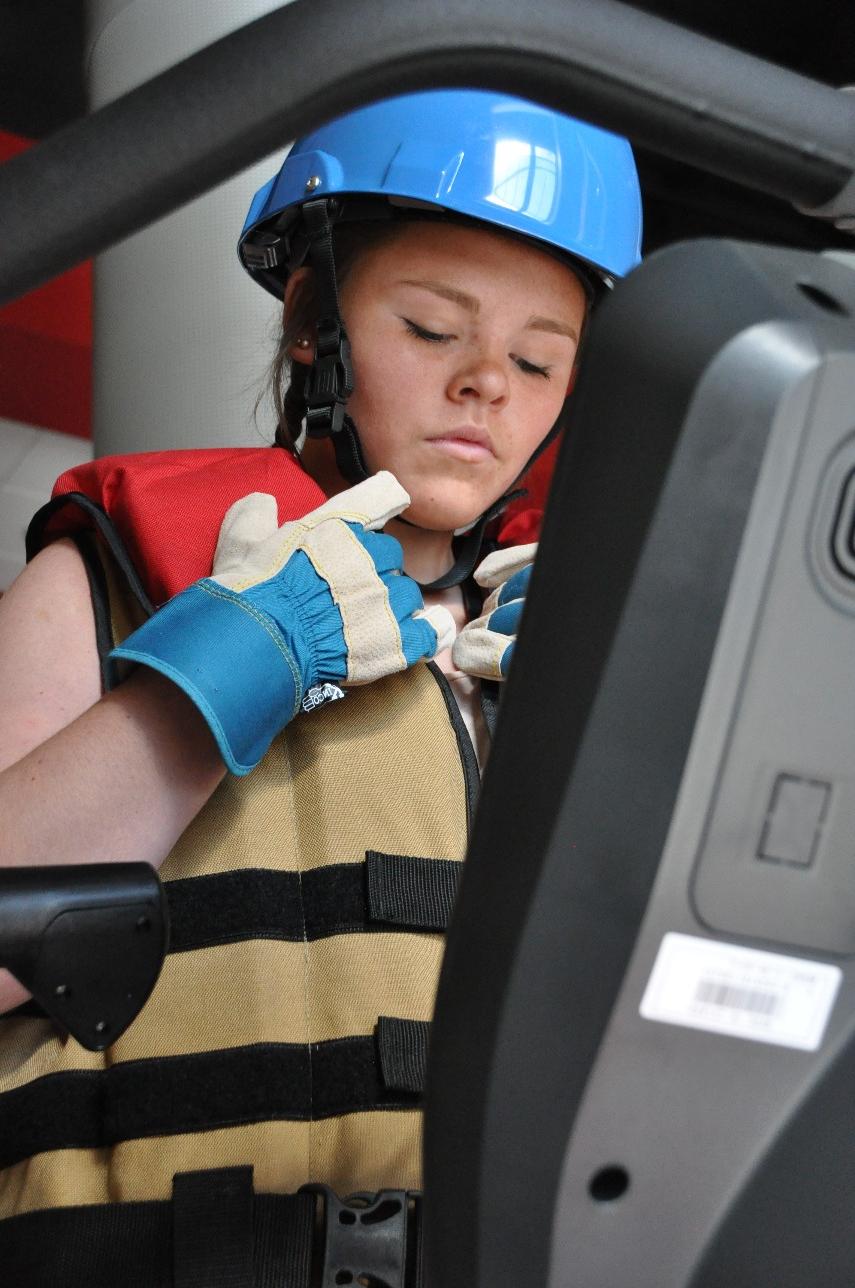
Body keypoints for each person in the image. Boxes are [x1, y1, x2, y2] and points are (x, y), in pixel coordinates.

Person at [0, 89, 641, 1279]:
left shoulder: (575, 641)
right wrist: (210, 679)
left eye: (539, 358)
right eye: (433, 328)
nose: (486, 385)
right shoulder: (113, 574)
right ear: (311, 320)